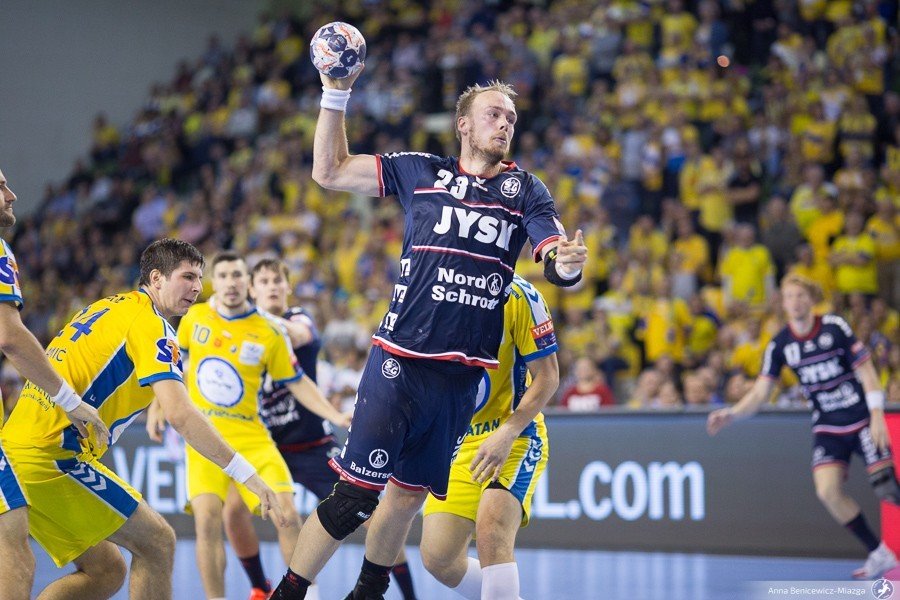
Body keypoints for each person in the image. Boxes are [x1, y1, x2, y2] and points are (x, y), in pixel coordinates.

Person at [270, 66, 587, 600]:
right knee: (354, 500)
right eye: (493, 114)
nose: (505, 124)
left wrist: (568, 265)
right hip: (399, 359)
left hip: (458, 382)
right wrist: (335, 93)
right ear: (463, 124)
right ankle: (289, 593)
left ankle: (368, 593)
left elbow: (554, 256)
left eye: (511, 118)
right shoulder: (421, 170)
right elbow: (329, 170)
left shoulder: (525, 190)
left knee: (406, 497)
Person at [0, 238, 285, 600]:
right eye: (187, 277)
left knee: (107, 571)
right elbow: (181, 414)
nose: (197, 287)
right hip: (52, 456)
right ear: (156, 278)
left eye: (200, 278)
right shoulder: (152, 325)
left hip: (17, 447)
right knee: (158, 543)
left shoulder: (109, 305)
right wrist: (247, 474)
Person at [146, 252, 350, 600]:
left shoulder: (269, 331)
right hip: (205, 437)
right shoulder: (195, 317)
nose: (231, 282)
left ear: (247, 283)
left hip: (252, 436)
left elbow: (298, 381)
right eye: (224, 275)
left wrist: (334, 415)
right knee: (207, 520)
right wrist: (157, 404)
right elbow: (174, 365)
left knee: (286, 514)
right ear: (214, 282)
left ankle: (306, 596)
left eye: (237, 275)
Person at [221, 258, 417, 600]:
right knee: (234, 511)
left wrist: (242, 312)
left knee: (373, 520)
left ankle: (408, 594)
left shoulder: (298, 319)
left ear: (288, 286)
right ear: (252, 288)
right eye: (263, 281)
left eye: (277, 280)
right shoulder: (241, 331)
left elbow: (297, 334)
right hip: (267, 446)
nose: (271, 287)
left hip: (312, 446)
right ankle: (261, 587)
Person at [708, 274, 899, 579]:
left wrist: (877, 414)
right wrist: (731, 414)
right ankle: (879, 553)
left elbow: (867, 371)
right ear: (782, 303)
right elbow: (760, 393)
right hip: (827, 426)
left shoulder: (834, 326)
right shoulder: (780, 344)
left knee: (888, 489)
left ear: (811, 299)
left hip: (861, 418)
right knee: (827, 491)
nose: (795, 302)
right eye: (789, 297)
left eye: (800, 296)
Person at [420, 274, 559, 600]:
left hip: (515, 436)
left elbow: (549, 376)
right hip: (457, 444)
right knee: (438, 558)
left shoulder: (520, 296)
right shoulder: (430, 291)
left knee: (492, 529)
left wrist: (508, 432)